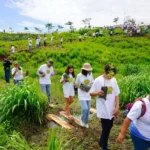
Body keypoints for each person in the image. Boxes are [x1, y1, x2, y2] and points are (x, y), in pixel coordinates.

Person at [89, 64, 120, 150]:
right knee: (106, 129)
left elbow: (117, 94)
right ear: (105, 72)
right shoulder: (98, 80)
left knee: (110, 126)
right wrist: (97, 93)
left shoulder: (113, 80)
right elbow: (91, 93)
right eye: (110, 74)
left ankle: (100, 141)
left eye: (113, 75)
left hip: (111, 108)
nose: (112, 76)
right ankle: (104, 147)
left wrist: (117, 106)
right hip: (103, 109)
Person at [75, 63, 94, 128]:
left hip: (88, 94)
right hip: (82, 94)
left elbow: (92, 82)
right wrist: (82, 87)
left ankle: (86, 122)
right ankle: (82, 120)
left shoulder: (90, 74)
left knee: (88, 110)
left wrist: (90, 87)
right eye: (88, 70)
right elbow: (76, 84)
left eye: (89, 70)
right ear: (84, 70)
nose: (89, 71)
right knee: (85, 108)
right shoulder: (79, 75)